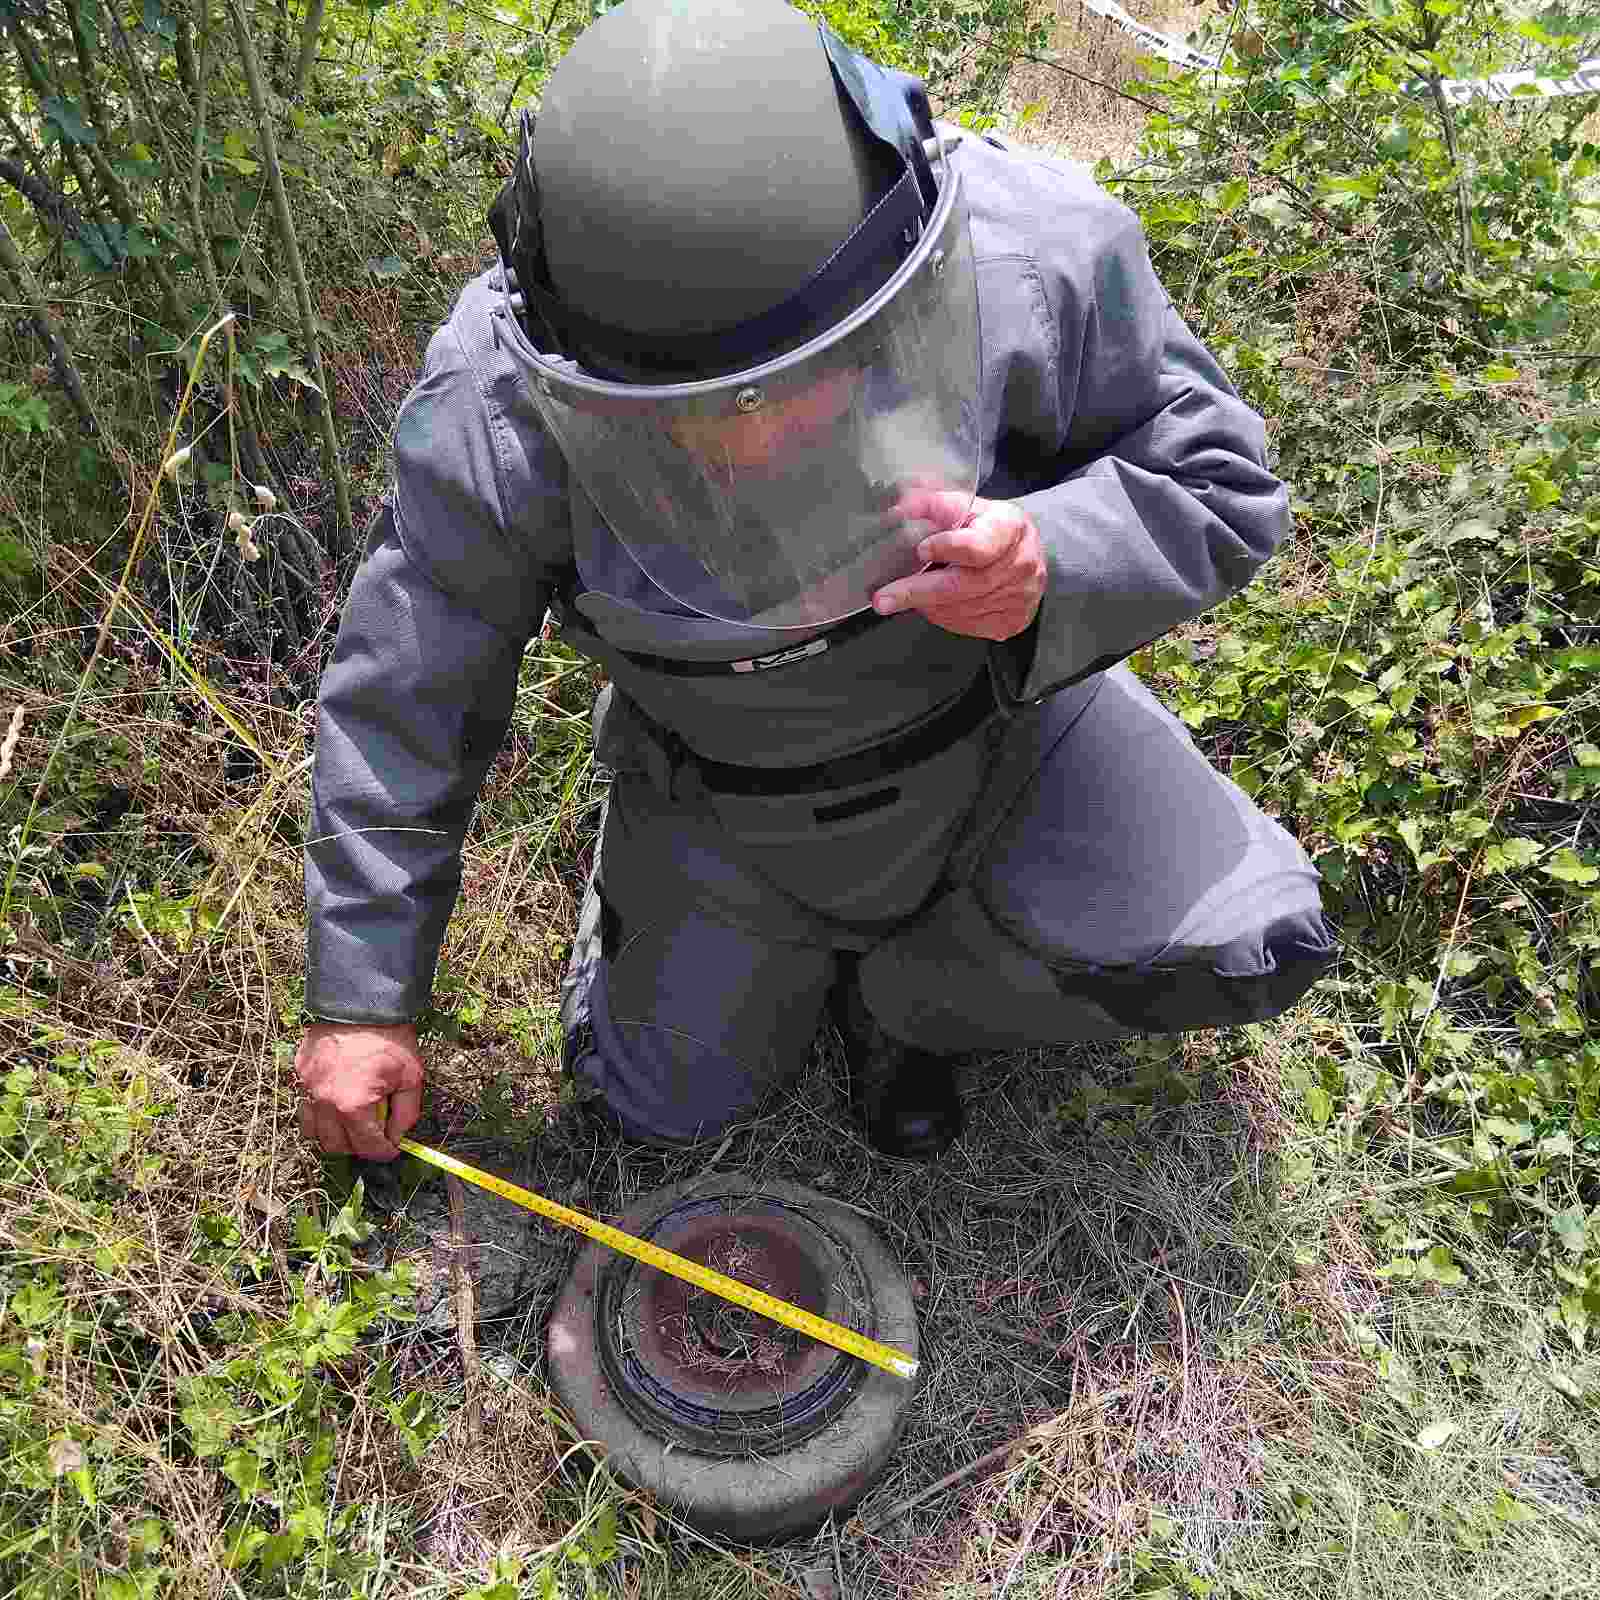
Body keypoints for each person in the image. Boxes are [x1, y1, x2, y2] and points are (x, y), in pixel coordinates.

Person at [294, 0, 1336, 1166]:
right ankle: (647, 892)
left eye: (810, 376)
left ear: (898, 254)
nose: (748, 444)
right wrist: (360, 998)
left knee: (1251, 942)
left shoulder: (1025, 248)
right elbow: (409, 689)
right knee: (654, 1111)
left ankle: (906, 998)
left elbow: (1222, 480)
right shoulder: (500, 396)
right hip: (723, 796)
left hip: (1001, 732)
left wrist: (1054, 555)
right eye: (686, 413)